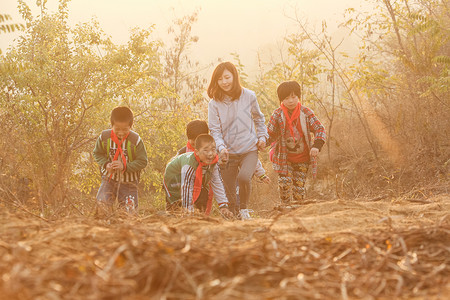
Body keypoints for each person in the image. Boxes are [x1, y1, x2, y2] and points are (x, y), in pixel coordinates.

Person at [208, 62, 268, 220]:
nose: (224, 82)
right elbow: (214, 130)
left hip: (249, 149)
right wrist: (221, 148)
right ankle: (235, 219)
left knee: (243, 178)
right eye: (220, 79)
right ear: (216, 81)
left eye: (227, 77)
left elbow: (259, 119)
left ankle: (244, 210)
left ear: (234, 76)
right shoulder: (214, 104)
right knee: (229, 192)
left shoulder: (249, 95)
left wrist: (262, 137)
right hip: (227, 153)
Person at [267, 81, 326, 207]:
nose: (290, 101)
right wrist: (260, 142)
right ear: (281, 99)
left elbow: (319, 129)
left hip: (302, 159)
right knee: (284, 184)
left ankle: (298, 213)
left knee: (299, 190)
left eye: (293, 97)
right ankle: (285, 210)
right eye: (286, 98)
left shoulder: (306, 113)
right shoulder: (277, 115)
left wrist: (316, 145)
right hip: (284, 158)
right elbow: (269, 133)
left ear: (298, 97)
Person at [164, 134, 234, 218]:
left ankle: (199, 218)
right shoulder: (189, 165)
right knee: (176, 209)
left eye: (213, 150)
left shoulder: (213, 163)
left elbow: (217, 182)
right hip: (174, 179)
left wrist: (223, 205)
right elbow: (186, 188)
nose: (210, 154)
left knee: (203, 195)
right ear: (197, 152)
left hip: (196, 181)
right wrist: (188, 212)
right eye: (206, 150)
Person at [93, 106, 148, 212]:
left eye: (125, 129)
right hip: (109, 179)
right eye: (117, 129)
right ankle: (103, 228)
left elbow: (143, 161)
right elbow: (97, 153)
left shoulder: (136, 140)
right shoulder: (104, 137)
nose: (121, 132)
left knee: (129, 212)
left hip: (129, 182)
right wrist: (106, 164)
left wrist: (125, 166)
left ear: (130, 127)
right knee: (101, 207)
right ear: (111, 125)